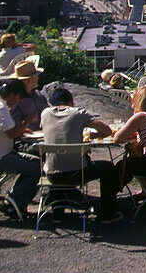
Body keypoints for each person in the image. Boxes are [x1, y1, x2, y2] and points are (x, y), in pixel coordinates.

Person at [40, 86, 123, 224]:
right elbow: (107, 130)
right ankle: (107, 212)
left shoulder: (45, 114)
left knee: (59, 159)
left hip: (51, 174)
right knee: (107, 167)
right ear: (71, 101)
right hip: (76, 173)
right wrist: (94, 134)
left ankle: (57, 213)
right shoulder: (77, 113)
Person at [0, 79, 39, 218]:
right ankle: (13, 204)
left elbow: (8, 131)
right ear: (12, 95)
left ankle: (13, 201)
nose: (20, 101)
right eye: (20, 97)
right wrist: (26, 121)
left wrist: (21, 129)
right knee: (38, 168)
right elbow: (11, 134)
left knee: (35, 164)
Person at [10, 59, 48, 131]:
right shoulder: (15, 100)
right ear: (29, 80)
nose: (38, 78)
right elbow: (14, 123)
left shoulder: (38, 95)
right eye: (36, 76)